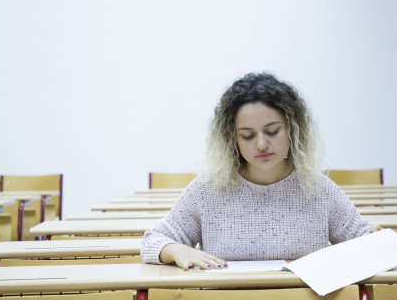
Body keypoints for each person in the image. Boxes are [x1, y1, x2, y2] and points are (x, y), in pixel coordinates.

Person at [140, 72, 376, 270]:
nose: (261, 144)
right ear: (233, 138)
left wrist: (375, 240)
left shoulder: (317, 188)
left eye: (272, 131)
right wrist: (175, 250)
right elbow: (152, 241)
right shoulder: (209, 190)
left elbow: (363, 239)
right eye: (248, 135)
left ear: (292, 129)